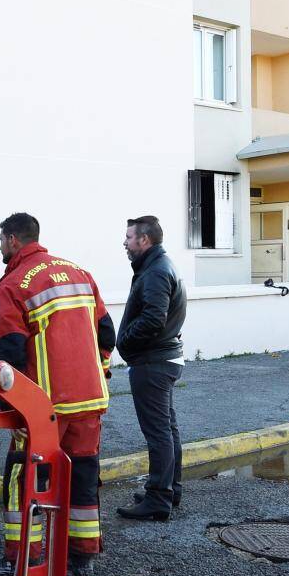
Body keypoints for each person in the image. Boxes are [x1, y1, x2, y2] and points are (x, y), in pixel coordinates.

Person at [0, 213, 115, 576]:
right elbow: (107, 335)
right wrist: (99, 372)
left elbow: (9, 355)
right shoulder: (79, 273)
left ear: (12, 240)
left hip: (45, 407)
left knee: (24, 476)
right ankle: (83, 554)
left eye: (0, 240)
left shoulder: (13, 284)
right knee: (83, 473)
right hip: (89, 400)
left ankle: (23, 556)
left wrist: (11, 409)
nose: (0, 247)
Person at [115, 216, 189, 522]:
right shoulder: (158, 266)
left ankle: (159, 497)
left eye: (129, 237)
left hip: (153, 362)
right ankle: (169, 488)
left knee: (158, 431)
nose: (125, 242)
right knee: (167, 429)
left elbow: (153, 319)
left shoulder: (156, 271)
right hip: (163, 359)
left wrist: (127, 345)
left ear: (144, 240)